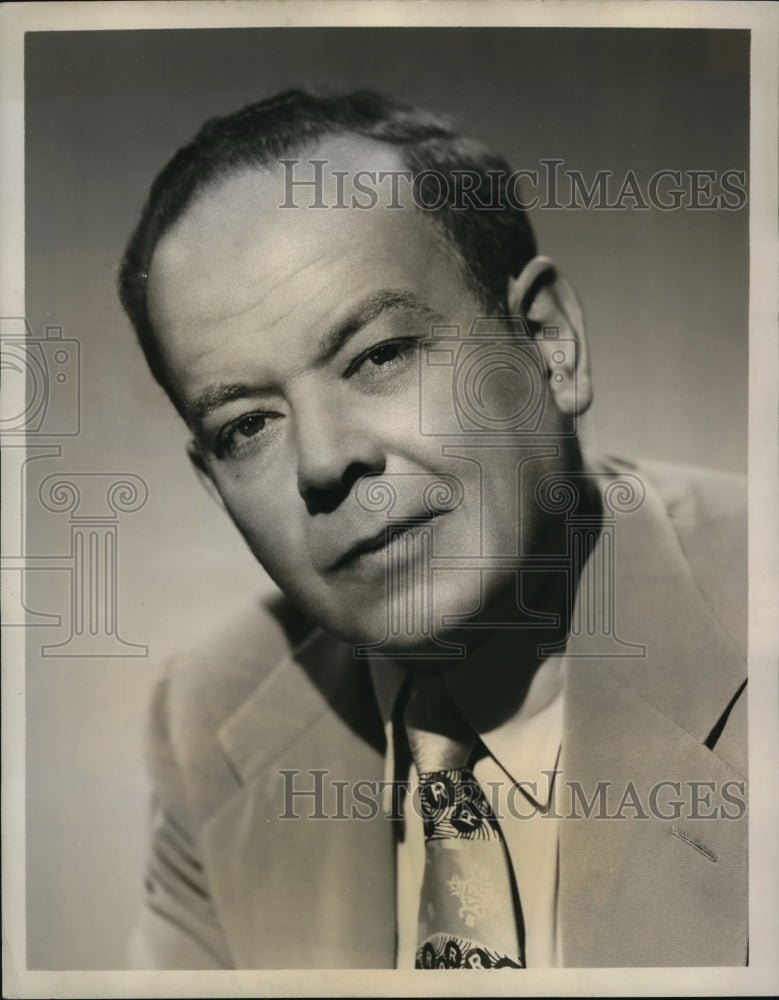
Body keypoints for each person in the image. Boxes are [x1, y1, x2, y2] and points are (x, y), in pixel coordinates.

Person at [119, 89, 747, 969]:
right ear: (215, 485)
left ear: (546, 341)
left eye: (378, 356)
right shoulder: (213, 722)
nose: (322, 462)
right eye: (247, 426)